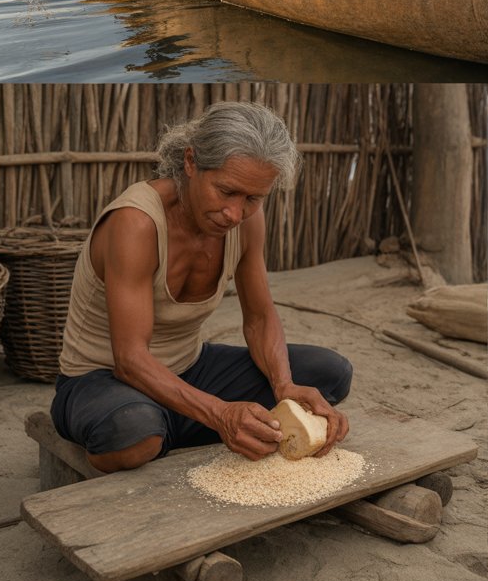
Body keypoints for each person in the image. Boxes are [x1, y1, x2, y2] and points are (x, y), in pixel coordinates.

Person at [51, 102, 352, 473]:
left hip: (189, 369)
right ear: (191, 163)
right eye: (226, 192)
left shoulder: (246, 223)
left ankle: (168, 428)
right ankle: (158, 429)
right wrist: (219, 412)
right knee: (130, 430)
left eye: (253, 199)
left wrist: (284, 385)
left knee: (329, 372)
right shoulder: (136, 223)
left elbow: (259, 318)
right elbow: (129, 361)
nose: (235, 214)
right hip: (101, 379)